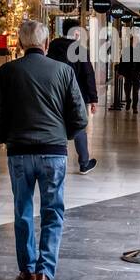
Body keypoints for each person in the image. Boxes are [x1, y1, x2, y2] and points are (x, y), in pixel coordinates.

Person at [0, 20, 88, 280]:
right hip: (53, 152)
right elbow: (80, 116)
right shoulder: (64, 71)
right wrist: (61, 136)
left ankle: (27, 270)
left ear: (20, 44)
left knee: (22, 209)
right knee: (53, 212)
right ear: (45, 45)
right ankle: (45, 273)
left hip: (18, 151)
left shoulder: (5, 72)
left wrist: (5, 136)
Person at [47, 19, 98, 174]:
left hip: (55, 94)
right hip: (76, 95)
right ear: (75, 31)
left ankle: (54, 161)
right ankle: (84, 163)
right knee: (79, 127)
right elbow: (88, 74)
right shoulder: (79, 49)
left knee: (55, 125)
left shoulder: (53, 46)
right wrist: (93, 98)